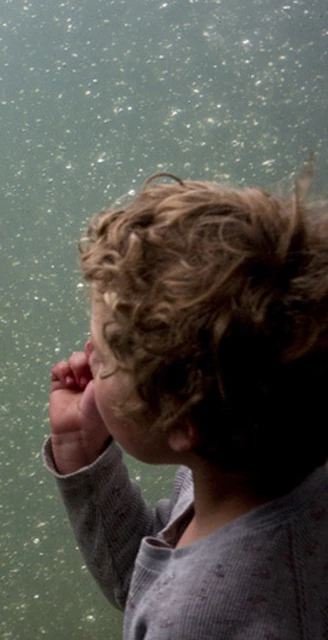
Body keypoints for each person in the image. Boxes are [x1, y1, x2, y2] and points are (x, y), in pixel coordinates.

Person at [46, 157, 328, 639]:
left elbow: (176, 594)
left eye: (108, 356)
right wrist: (80, 452)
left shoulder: (197, 624)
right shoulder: (245, 458)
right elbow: (152, 575)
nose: (88, 356)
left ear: (182, 420)